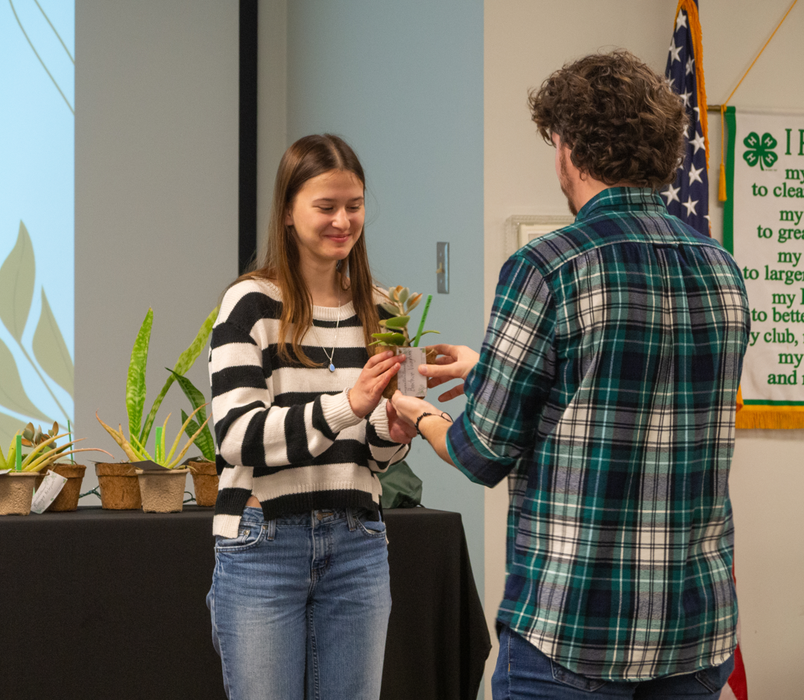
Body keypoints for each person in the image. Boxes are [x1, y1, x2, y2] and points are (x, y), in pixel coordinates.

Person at [391, 50, 750, 699]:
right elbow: (631, 391)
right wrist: (487, 372)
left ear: (566, 147)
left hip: (573, 631)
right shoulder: (722, 268)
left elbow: (480, 452)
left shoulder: (547, 266)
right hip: (695, 634)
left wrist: (417, 413)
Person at [206, 133, 416, 700]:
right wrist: (348, 407)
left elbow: (377, 453)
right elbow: (238, 438)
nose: (343, 221)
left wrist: (392, 432)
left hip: (358, 544)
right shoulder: (250, 303)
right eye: (326, 207)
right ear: (288, 212)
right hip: (262, 545)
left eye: (355, 205)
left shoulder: (384, 309)